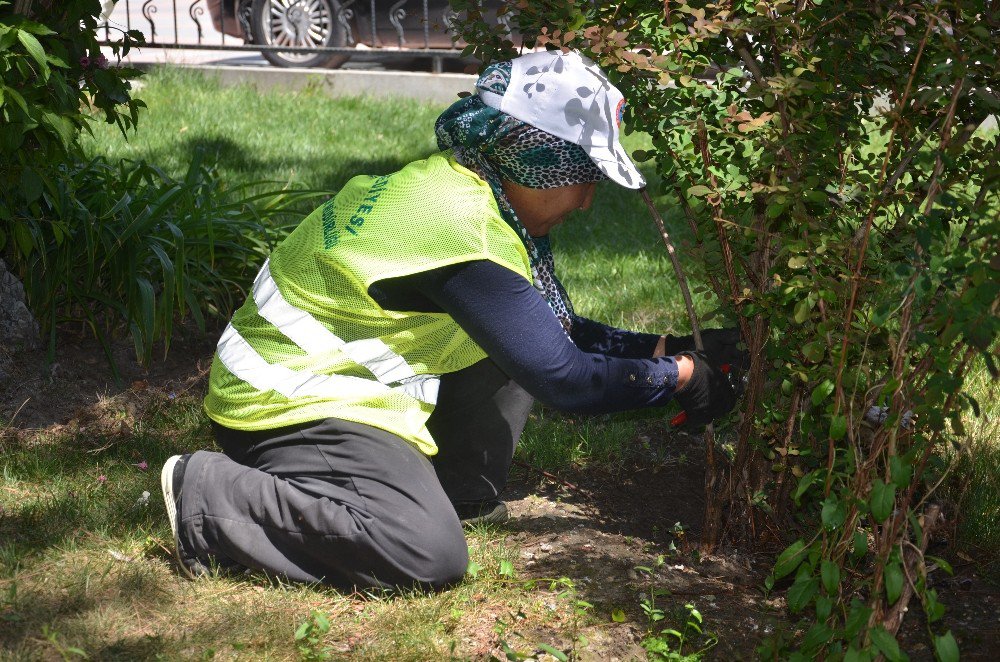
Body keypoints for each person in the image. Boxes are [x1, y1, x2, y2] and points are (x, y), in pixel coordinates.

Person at [160, 50, 742, 592]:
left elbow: (546, 331)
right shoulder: (461, 232)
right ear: (535, 161)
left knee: (517, 346)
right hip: (287, 400)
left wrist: (676, 347)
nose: (587, 202)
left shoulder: (467, 186)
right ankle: (209, 494)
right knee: (425, 552)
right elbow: (565, 378)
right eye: (583, 176)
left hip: (325, 380)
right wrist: (683, 375)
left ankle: (452, 490)